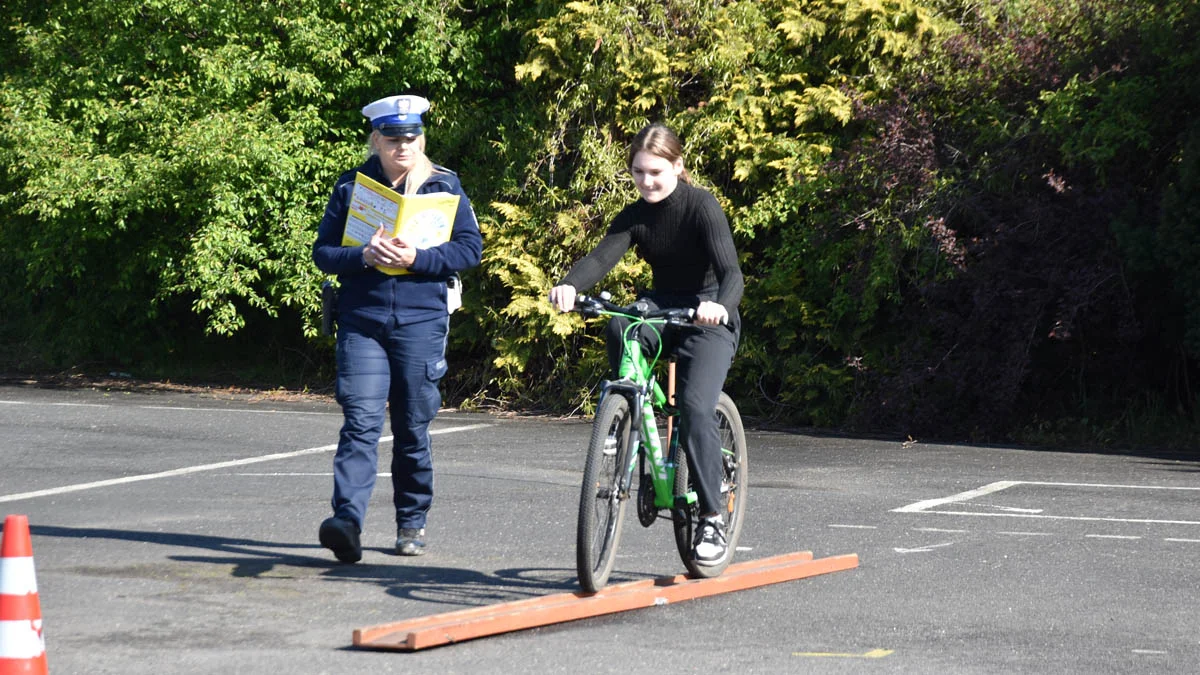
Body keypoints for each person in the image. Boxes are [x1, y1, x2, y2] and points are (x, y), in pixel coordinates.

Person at [549, 122, 743, 567]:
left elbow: (732, 273)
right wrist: (568, 286)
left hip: (707, 317)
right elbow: (600, 257)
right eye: (638, 172)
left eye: (656, 171)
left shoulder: (701, 206)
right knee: (620, 323)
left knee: (696, 409)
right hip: (661, 309)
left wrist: (720, 307)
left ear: (678, 166)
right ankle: (626, 413)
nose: (647, 181)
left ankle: (712, 516)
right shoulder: (636, 215)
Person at [312, 94, 482, 563]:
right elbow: (323, 252)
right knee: (361, 423)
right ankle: (346, 520)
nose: (402, 146)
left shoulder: (444, 186)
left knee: (411, 427)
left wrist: (418, 259)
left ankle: (411, 522)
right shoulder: (352, 187)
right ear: (377, 140)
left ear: (420, 139)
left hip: (421, 322)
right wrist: (363, 256)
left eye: (410, 137)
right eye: (392, 138)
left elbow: (470, 249)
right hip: (362, 321)